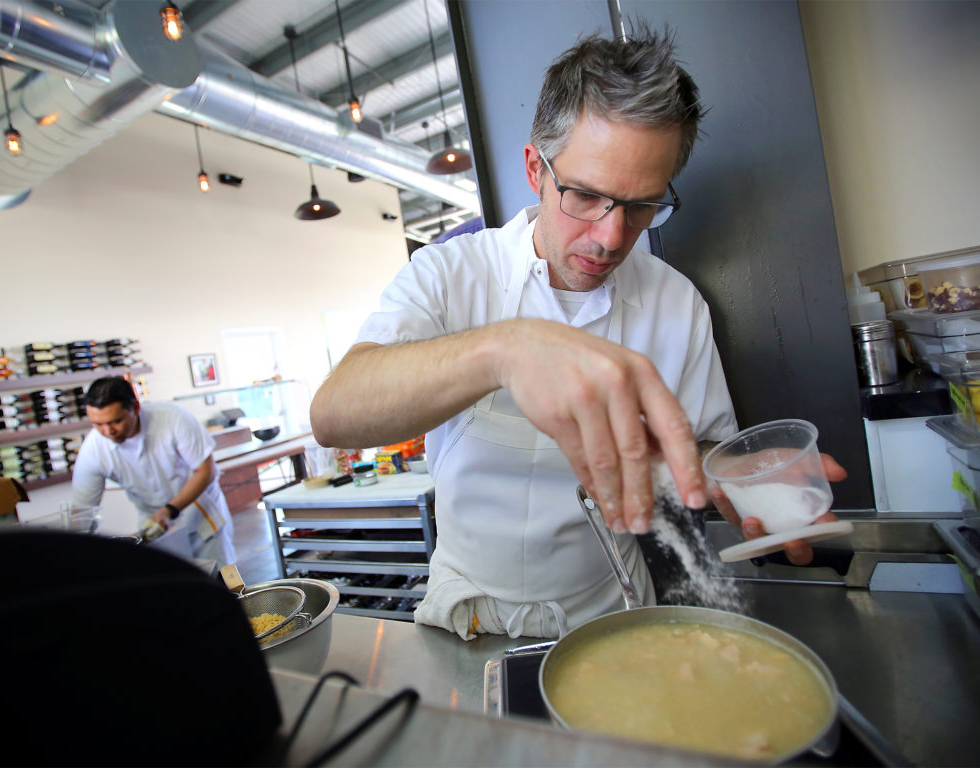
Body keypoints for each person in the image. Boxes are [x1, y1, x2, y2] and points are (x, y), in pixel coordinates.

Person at [311, 24, 843, 640]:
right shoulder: (452, 273)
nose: (612, 237)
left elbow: (696, 453)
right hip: (470, 619)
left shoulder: (675, 302)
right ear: (537, 165)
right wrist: (504, 349)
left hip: (614, 614)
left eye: (642, 205)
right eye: (586, 196)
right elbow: (335, 413)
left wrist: (736, 479)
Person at [72, 376, 236, 569]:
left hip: (200, 516)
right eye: (98, 424)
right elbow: (83, 510)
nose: (108, 431)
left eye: (115, 421)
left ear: (135, 408)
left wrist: (169, 511)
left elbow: (205, 472)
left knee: (220, 583)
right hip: (153, 524)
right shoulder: (93, 449)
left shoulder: (172, 419)